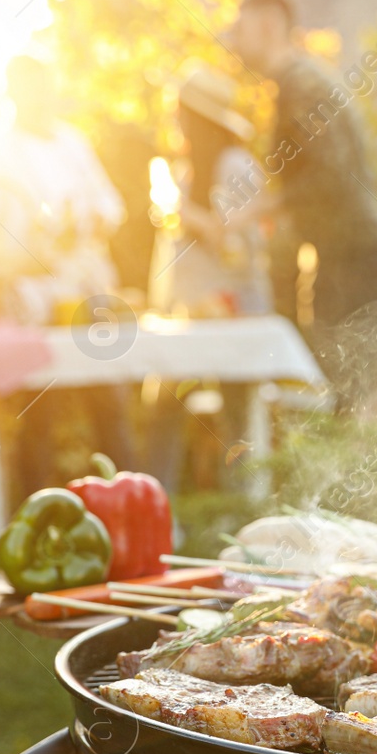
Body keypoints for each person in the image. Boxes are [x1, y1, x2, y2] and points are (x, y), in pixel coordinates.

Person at [0, 55, 133, 493]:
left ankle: (126, 500)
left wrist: (85, 223)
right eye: (30, 88)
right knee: (40, 406)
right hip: (33, 294)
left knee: (108, 398)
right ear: (13, 92)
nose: (40, 97)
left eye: (45, 87)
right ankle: (38, 509)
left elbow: (111, 205)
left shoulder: (73, 142)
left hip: (88, 289)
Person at [229, 0, 377, 337]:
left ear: (268, 26)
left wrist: (261, 207)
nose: (233, 39)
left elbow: (330, 176)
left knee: (355, 378)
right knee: (357, 378)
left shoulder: (302, 85)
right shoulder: (295, 82)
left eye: (240, 28)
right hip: (344, 254)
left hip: (352, 256)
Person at [144, 61, 273, 491]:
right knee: (164, 403)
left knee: (238, 409)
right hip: (190, 313)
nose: (175, 120)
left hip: (236, 307)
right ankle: (156, 502)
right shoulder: (186, 171)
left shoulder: (235, 164)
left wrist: (183, 214)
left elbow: (232, 241)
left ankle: (245, 504)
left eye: (181, 112)